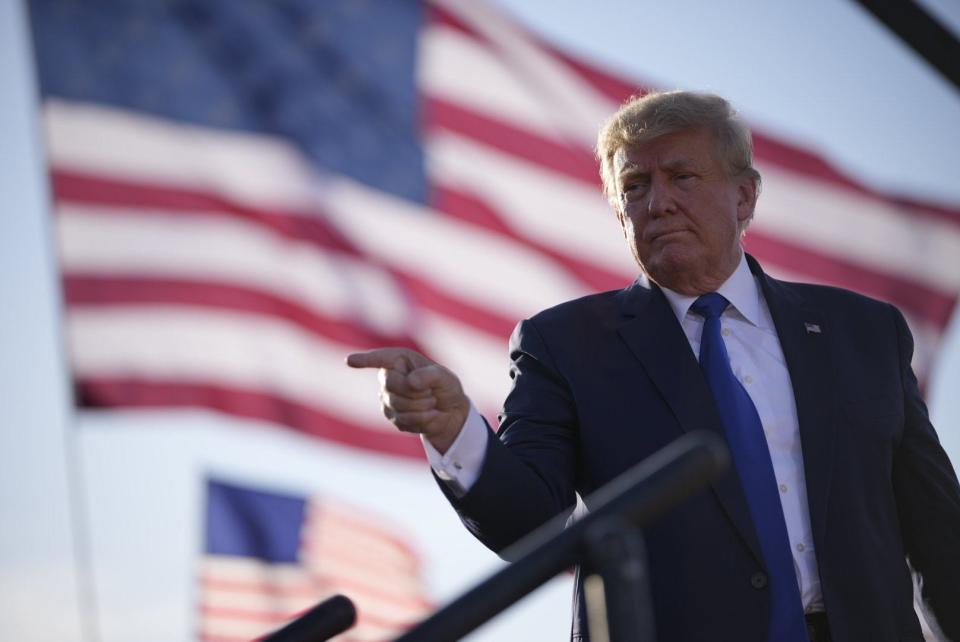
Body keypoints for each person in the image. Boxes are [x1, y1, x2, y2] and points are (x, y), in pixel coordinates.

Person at [347, 90, 960, 642]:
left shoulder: (862, 331)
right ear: (619, 213)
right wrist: (455, 430)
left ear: (744, 194)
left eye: (682, 176)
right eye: (634, 187)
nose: (659, 202)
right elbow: (525, 524)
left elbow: (939, 531)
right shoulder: (564, 343)